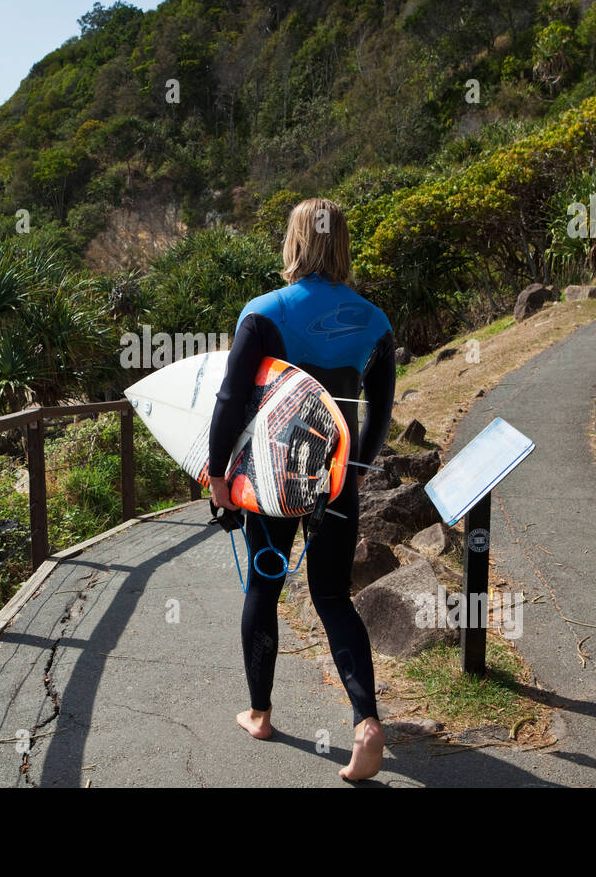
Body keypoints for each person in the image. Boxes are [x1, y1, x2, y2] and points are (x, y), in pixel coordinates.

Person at [207, 197, 396, 781]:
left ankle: (260, 713)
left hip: (272, 477)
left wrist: (218, 477)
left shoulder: (263, 313)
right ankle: (366, 724)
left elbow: (229, 401)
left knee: (265, 588)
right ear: (341, 244)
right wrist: (353, 472)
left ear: (294, 243)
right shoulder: (374, 320)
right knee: (333, 597)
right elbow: (379, 413)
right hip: (335, 477)